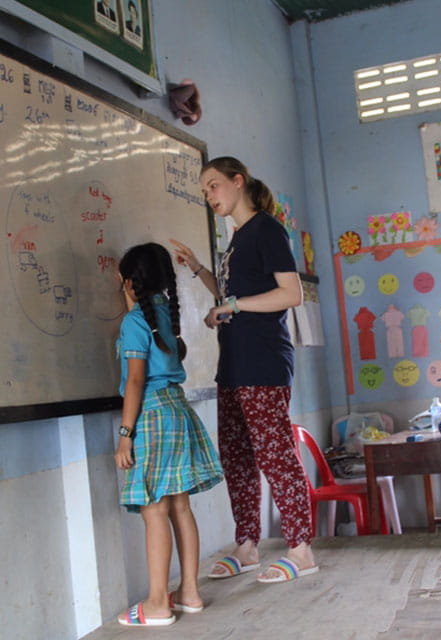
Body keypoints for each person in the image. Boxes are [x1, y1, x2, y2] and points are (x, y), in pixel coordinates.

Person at [170, 156, 318, 584]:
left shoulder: (267, 229)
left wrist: (232, 306)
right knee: (236, 458)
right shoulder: (236, 239)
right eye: (204, 190)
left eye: (214, 185)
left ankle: (301, 548)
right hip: (233, 364)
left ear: (238, 182)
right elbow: (236, 294)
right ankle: (247, 544)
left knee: (275, 454)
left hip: (263, 362)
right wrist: (200, 268)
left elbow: (290, 294)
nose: (209, 196)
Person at [114, 242, 223, 627]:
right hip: (178, 410)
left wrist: (126, 433)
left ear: (129, 281)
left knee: (154, 509)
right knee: (179, 506)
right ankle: (189, 593)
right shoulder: (165, 315)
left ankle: (159, 602)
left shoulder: (134, 323)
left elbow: (136, 380)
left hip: (153, 416)